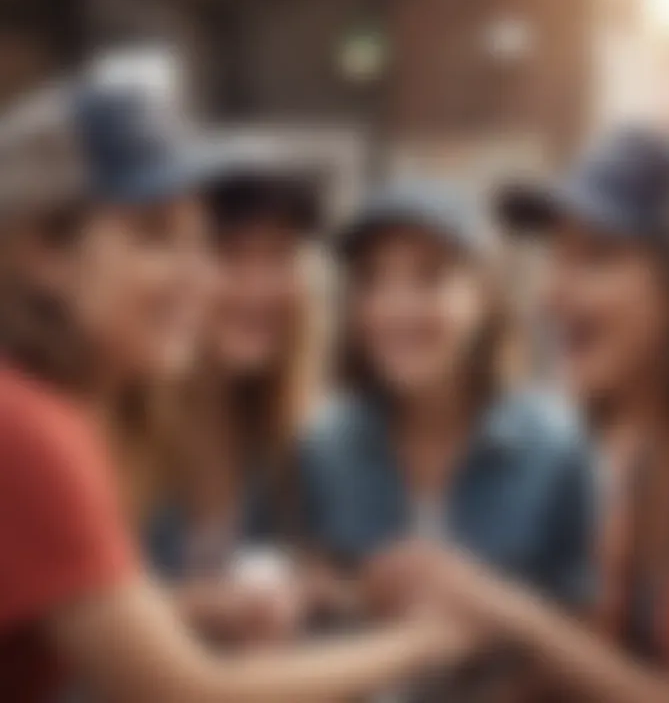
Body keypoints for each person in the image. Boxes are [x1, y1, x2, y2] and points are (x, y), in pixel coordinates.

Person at [0, 55, 474, 703]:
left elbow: (78, 619)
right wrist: (427, 638)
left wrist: (200, 607)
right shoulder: (31, 427)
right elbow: (189, 691)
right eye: (154, 236)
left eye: (200, 241)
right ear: (44, 254)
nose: (201, 278)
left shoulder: (45, 409)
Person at [367, 128, 669, 702]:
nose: (551, 296)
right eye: (556, 258)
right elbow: (595, 671)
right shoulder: (630, 460)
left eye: (595, 257)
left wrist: (510, 611)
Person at [301, 181, 596, 694]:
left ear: (483, 295)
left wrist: (488, 615)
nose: (394, 309)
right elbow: (309, 624)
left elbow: (584, 651)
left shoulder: (558, 449)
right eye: (373, 281)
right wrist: (350, 596)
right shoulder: (324, 447)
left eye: (429, 278)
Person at [145, 167, 325, 643]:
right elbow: (64, 618)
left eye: (279, 257)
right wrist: (208, 605)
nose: (259, 288)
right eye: (231, 256)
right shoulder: (107, 424)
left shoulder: (292, 440)